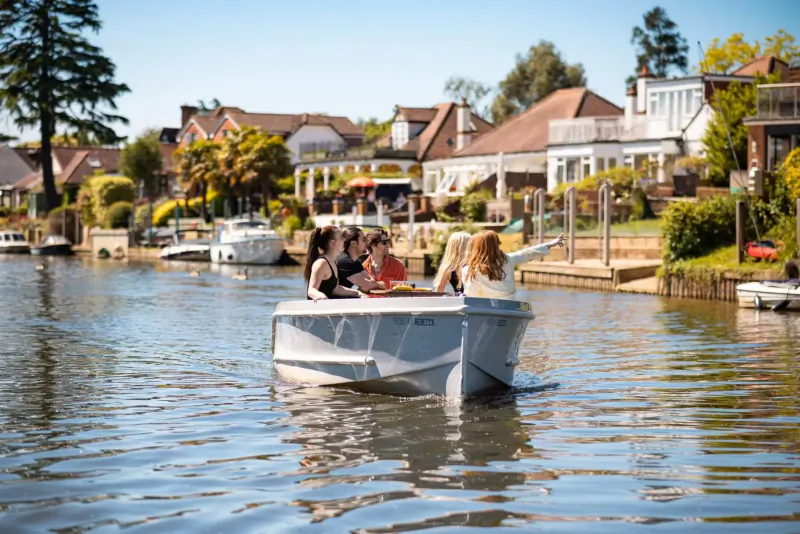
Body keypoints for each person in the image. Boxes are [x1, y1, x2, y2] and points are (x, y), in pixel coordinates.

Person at [462, 230, 565, 300]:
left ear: (476, 248)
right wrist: (550, 244)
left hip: (482, 309)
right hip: (508, 307)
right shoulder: (508, 260)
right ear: (498, 244)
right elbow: (528, 253)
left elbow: (470, 295)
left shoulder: (469, 270)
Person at [304, 226, 361, 301]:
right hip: (318, 310)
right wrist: (322, 297)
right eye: (341, 237)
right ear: (332, 243)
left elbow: (335, 289)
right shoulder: (322, 263)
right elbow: (311, 290)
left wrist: (358, 292)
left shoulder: (333, 261)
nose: (344, 240)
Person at [336, 227, 384, 291]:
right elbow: (367, 286)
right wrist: (381, 285)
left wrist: (371, 284)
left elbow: (371, 281)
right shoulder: (345, 261)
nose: (367, 243)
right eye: (364, 240)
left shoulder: (356, 262)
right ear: (353, 243)